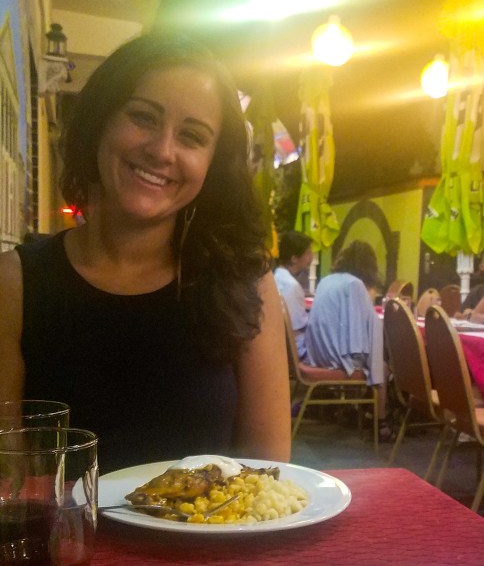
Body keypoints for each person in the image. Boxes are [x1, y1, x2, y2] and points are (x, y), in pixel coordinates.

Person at [0, 31, 291, 472]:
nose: (161, 150)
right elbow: (8, 479)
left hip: (211, 541)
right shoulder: (16, 283)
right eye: (143, 117)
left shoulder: (245, 283)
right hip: (65, 543)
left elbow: (271, 476)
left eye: (192, 137)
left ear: (212, 166)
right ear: (101, 120)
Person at [303, 240, 389, 436]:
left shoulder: (327, 280)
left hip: (317, 354)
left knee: (362, 354)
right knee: (381, 365)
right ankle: (380, 421)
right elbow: (366, 331)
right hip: (335, 360)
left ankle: (356, 409)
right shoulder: (354, 285)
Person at [274, 230, 313, 359]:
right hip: (297, 350)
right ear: (294, 259)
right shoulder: (292, 286)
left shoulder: (276, 277)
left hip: (282, 345)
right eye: (307, 253)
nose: (311, 258)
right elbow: (298, 325)